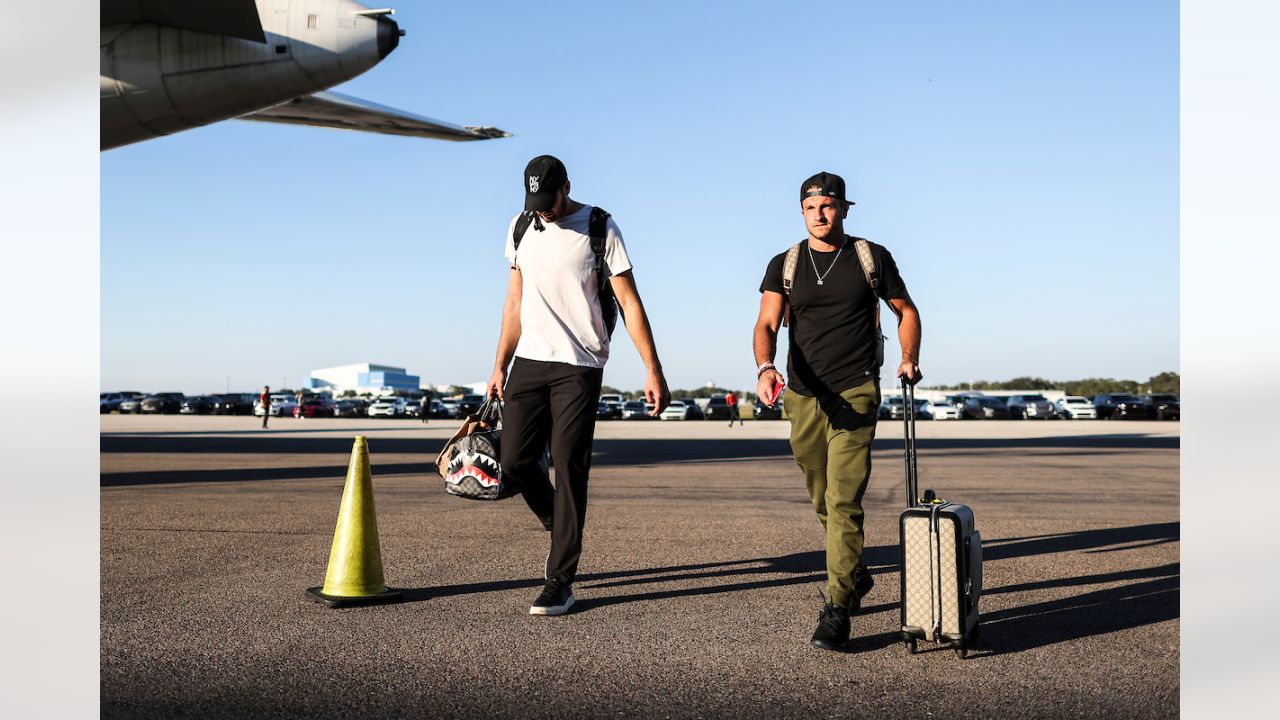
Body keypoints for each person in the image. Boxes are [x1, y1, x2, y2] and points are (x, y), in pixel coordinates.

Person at [488, 155, 671, 616]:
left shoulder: (599, 226)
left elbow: (629, 302)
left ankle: (560, 579)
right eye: (534, 203)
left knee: (569, 463)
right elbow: (514, 303)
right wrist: (498, 366)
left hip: (579, 365)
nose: (542, 210)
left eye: (548, 201)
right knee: (513, 461)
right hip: (529, 361)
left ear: (565, 187)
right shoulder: (520, 227)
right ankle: (560, 521)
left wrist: (653, 370)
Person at [753, 171, 922, 651]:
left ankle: (838, 606)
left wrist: (908, 358)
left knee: (843, 500)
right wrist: (765, 367)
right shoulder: (784, 264)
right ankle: (856, 571)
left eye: (828, 206)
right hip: (803, 396)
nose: (819, 215)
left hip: (856, 391)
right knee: (821, 495)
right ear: (802, 211)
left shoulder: (870, 258)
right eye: (811, 208)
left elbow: (906, 312)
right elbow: (766, 323)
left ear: (845, 208)